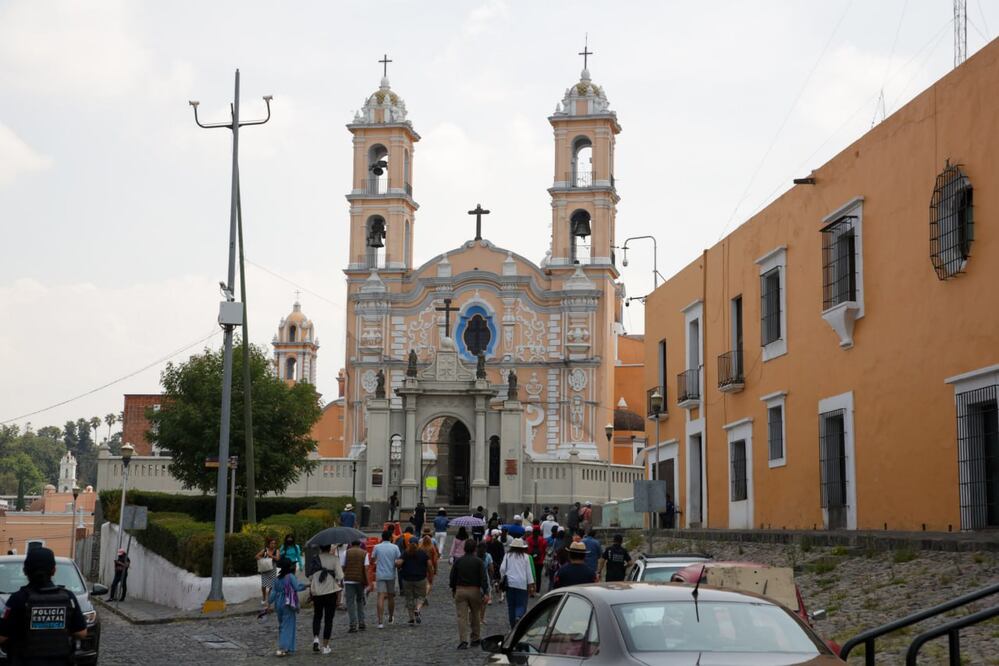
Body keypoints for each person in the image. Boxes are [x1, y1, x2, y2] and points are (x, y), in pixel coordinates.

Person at [0, 547, 87, 665]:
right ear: (54, 570)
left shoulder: (18, 599)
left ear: (25, 571)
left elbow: (2, 637)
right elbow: (81, 633)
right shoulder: (68, 597)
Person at [448, 539, 489, 650]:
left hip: (461, 590)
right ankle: (475, 638)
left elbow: (452, 576)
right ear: (475, 548)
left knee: (462, 616)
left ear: (465, 548)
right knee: (475, 614)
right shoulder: (479, 562)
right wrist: (485, 592)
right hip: (475, 590)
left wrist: (453, 588)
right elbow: (483, 578)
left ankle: (463, 640)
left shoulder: (459, 561)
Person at [268, 557, 308, 656]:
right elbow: (297, 587)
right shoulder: (290, 576)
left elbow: (273, 593)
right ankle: (284, 647)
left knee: (282, 625)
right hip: (288, 603)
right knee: (288, 625)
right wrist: (306, 586)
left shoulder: (277, 578)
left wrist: (269, 603)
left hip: (278, 603)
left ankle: (289, 647)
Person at [309, 544, 343, 654]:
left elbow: (310, 576)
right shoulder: (334, 559)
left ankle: (315, 639)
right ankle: (325, 646)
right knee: (329, 619)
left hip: (317, 592)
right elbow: (340, 576)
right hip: (330, 592)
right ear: (329, 548)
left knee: (317, 616)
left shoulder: (315, 559)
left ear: (320, 548)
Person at [498, 538, 535, 629]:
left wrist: (503, 578)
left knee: (511, 606)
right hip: (522, 584)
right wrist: (531, 585)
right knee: (521, 604)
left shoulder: (507, 556)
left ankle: (512, 627)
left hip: (510, 584)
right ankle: (518, 617)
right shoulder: (526, 557)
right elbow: (529, 572)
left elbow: (502, 569)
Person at [372, 530, 402, 629]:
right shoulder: (395, 547)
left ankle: (380, 621)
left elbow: (372, 559)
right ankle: (390, 617)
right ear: (390, 537)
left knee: (380, 596)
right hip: (391, 574)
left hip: (380, 574)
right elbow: (398, 560)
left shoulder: (377, 547)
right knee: (391, 596)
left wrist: (377, 562)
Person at [400, 539, 431, 625]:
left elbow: (399, 563)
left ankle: (411, 619)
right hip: (420, 578)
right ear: (418, 544)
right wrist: (430, 575)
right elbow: (429, 565)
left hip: (407, 579)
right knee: (421, 596)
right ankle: (417, 609)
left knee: (409, 598)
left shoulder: (406, 553)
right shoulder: (423, 553)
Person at [341, 540, 369, 633]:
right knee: (360, 600)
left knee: (350, 602)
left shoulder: (346, 553)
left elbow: (343, 567)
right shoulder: (364, 553)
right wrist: (367, 581)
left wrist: (342, 578)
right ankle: (361, 622)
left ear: (351, 544)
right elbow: (366, 568)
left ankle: (353, 624)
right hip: (360, 580)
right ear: (360, 544)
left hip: (348, 579)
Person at [256, 537, 279, 605]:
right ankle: (263, 597)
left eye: (274, 543)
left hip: (272, 569)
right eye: (271, 543)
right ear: (268, 544)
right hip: (265, 569)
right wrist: (263, 559)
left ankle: (269, 597)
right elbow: (256, 556)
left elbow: (277, 558)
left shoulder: (276, 550)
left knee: (271, 585)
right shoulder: (265, 550)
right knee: (264, 585)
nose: (273, 545)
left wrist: (270, 555)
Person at [525, 523, 547, 593]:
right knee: (538, 576)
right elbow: (545, 550)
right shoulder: (543, 540)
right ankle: (537, 591)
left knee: (530, 575)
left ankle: (530, 590)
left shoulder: (528, 539)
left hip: (530, 560)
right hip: (540, 561)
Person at [474, 541, 494, 624]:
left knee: (475, 600)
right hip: (485, 578)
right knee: (484, 600)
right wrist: (491, 578)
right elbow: (491, 569)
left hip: (474, 578)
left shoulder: (474, 555)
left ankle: (474, 617)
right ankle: (481, 618)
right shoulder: (488, 556)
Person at [485, 529, 506, 600]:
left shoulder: (487, 543)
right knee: (498, 576)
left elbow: (486, 553)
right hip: (498, 563)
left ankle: (491, 591)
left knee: (491, 577)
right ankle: (500, 594)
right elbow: (502, 555)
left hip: (490, 562)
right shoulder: (500, 544)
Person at [418, 533, 440, 598]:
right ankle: (428, 588)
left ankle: (424, 587)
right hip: (430, 565)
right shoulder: (432, 548)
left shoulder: (420, 548)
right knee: (430, 578)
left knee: (423, 577)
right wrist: (436, 569)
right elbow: (435, 559)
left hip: (422, 565)